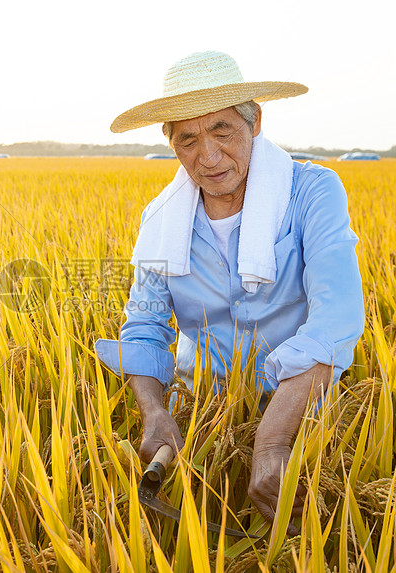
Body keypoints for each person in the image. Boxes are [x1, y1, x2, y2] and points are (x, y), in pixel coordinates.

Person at [94, 51, 364, 534]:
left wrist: (274, 439)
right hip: (204, 413)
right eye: (188, 140)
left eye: (222, 131)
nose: (209, 157)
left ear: (254, 121)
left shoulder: (312, 192)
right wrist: (155, 412)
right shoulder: (161, 220)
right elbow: (144, 327)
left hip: (301, 410)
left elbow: (337, 312)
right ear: (171, 144)